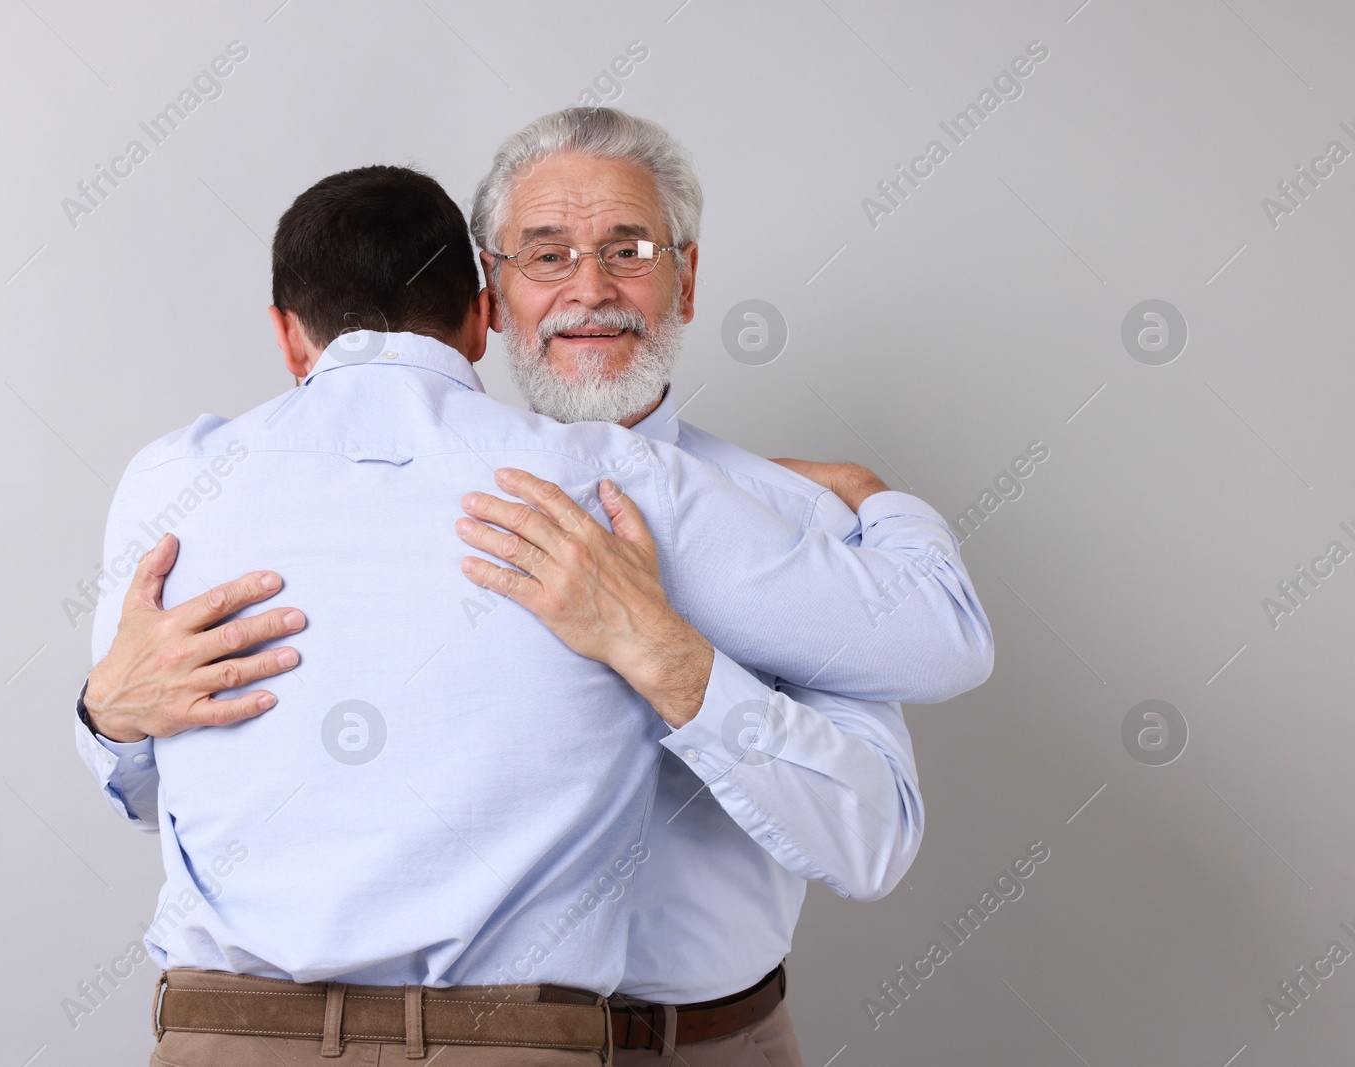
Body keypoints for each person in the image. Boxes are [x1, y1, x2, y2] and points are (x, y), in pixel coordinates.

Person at [81, 111, 992, 1066]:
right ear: (490, 298)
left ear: (688, 277)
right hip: (500, 1038)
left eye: (628, 250)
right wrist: (108, 711)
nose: (590, 289)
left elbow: (874, 841)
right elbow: (177, 784)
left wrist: (678, 649)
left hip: (707, 1042)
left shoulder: (787, 516)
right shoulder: (382, 496)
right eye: (546, 255)